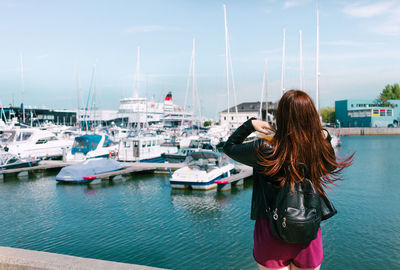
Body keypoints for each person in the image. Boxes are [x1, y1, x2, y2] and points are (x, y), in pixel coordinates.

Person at [223, 90, 353, 270]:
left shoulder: (265, 149)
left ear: (281, 117)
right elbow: (330, 166)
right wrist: (325, 135)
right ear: (311, 116)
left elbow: (229, 147)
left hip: (271, 232)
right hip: (307, 230)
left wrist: (250, 125)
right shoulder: (316, 149)